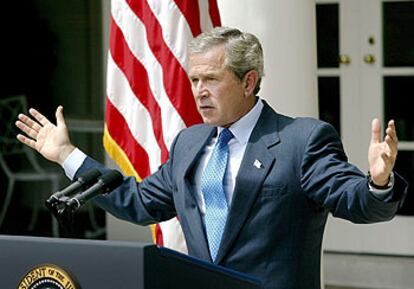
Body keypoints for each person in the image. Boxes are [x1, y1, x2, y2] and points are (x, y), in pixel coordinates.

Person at [16, 27, 407, 289]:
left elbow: (355, 203)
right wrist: (68, 155)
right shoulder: (190, 143)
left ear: (248, 81)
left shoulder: (300, 139)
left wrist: (377, 182)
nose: (199, 92)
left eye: (211, 80)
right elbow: (137, 202)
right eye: (194, 80)